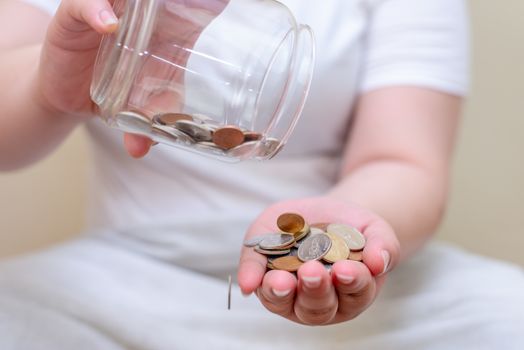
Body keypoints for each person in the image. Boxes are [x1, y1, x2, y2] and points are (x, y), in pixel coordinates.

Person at [0, 0, 523, 349]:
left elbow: (403, 161)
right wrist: (50, 87)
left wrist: (344, 230)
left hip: (352, 273)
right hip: (128, 276)